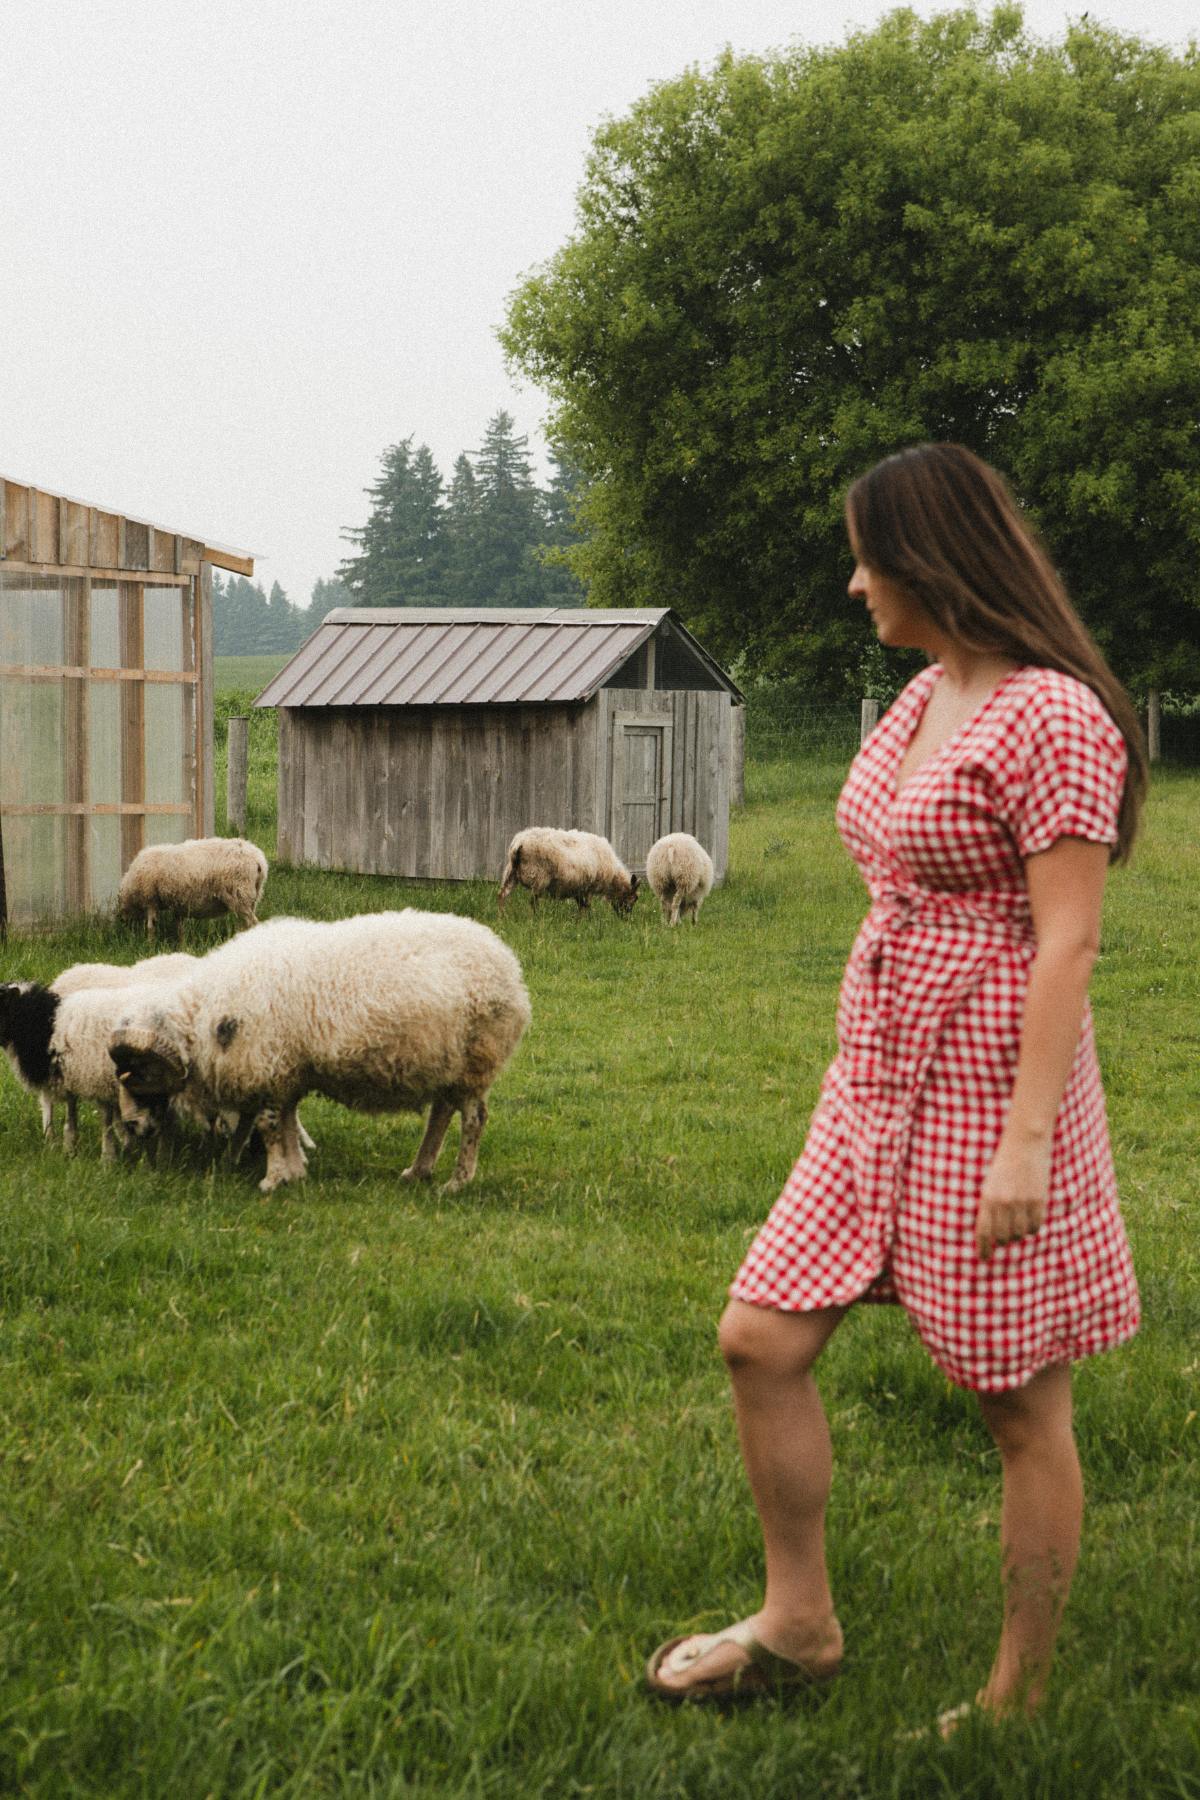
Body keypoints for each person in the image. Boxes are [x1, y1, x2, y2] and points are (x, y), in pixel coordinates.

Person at [645, 443, 1147, 1725]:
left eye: (868, 557)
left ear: (931, 558)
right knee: (758, 1338)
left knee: (1017, 1400)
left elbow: (1070, 939)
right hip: (873, 1072)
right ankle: (799, 1622)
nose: (854, 585)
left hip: (991, 1085)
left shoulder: (1057, 717)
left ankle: (1015, 1696)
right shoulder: (927, 696)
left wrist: (1026, 1143)